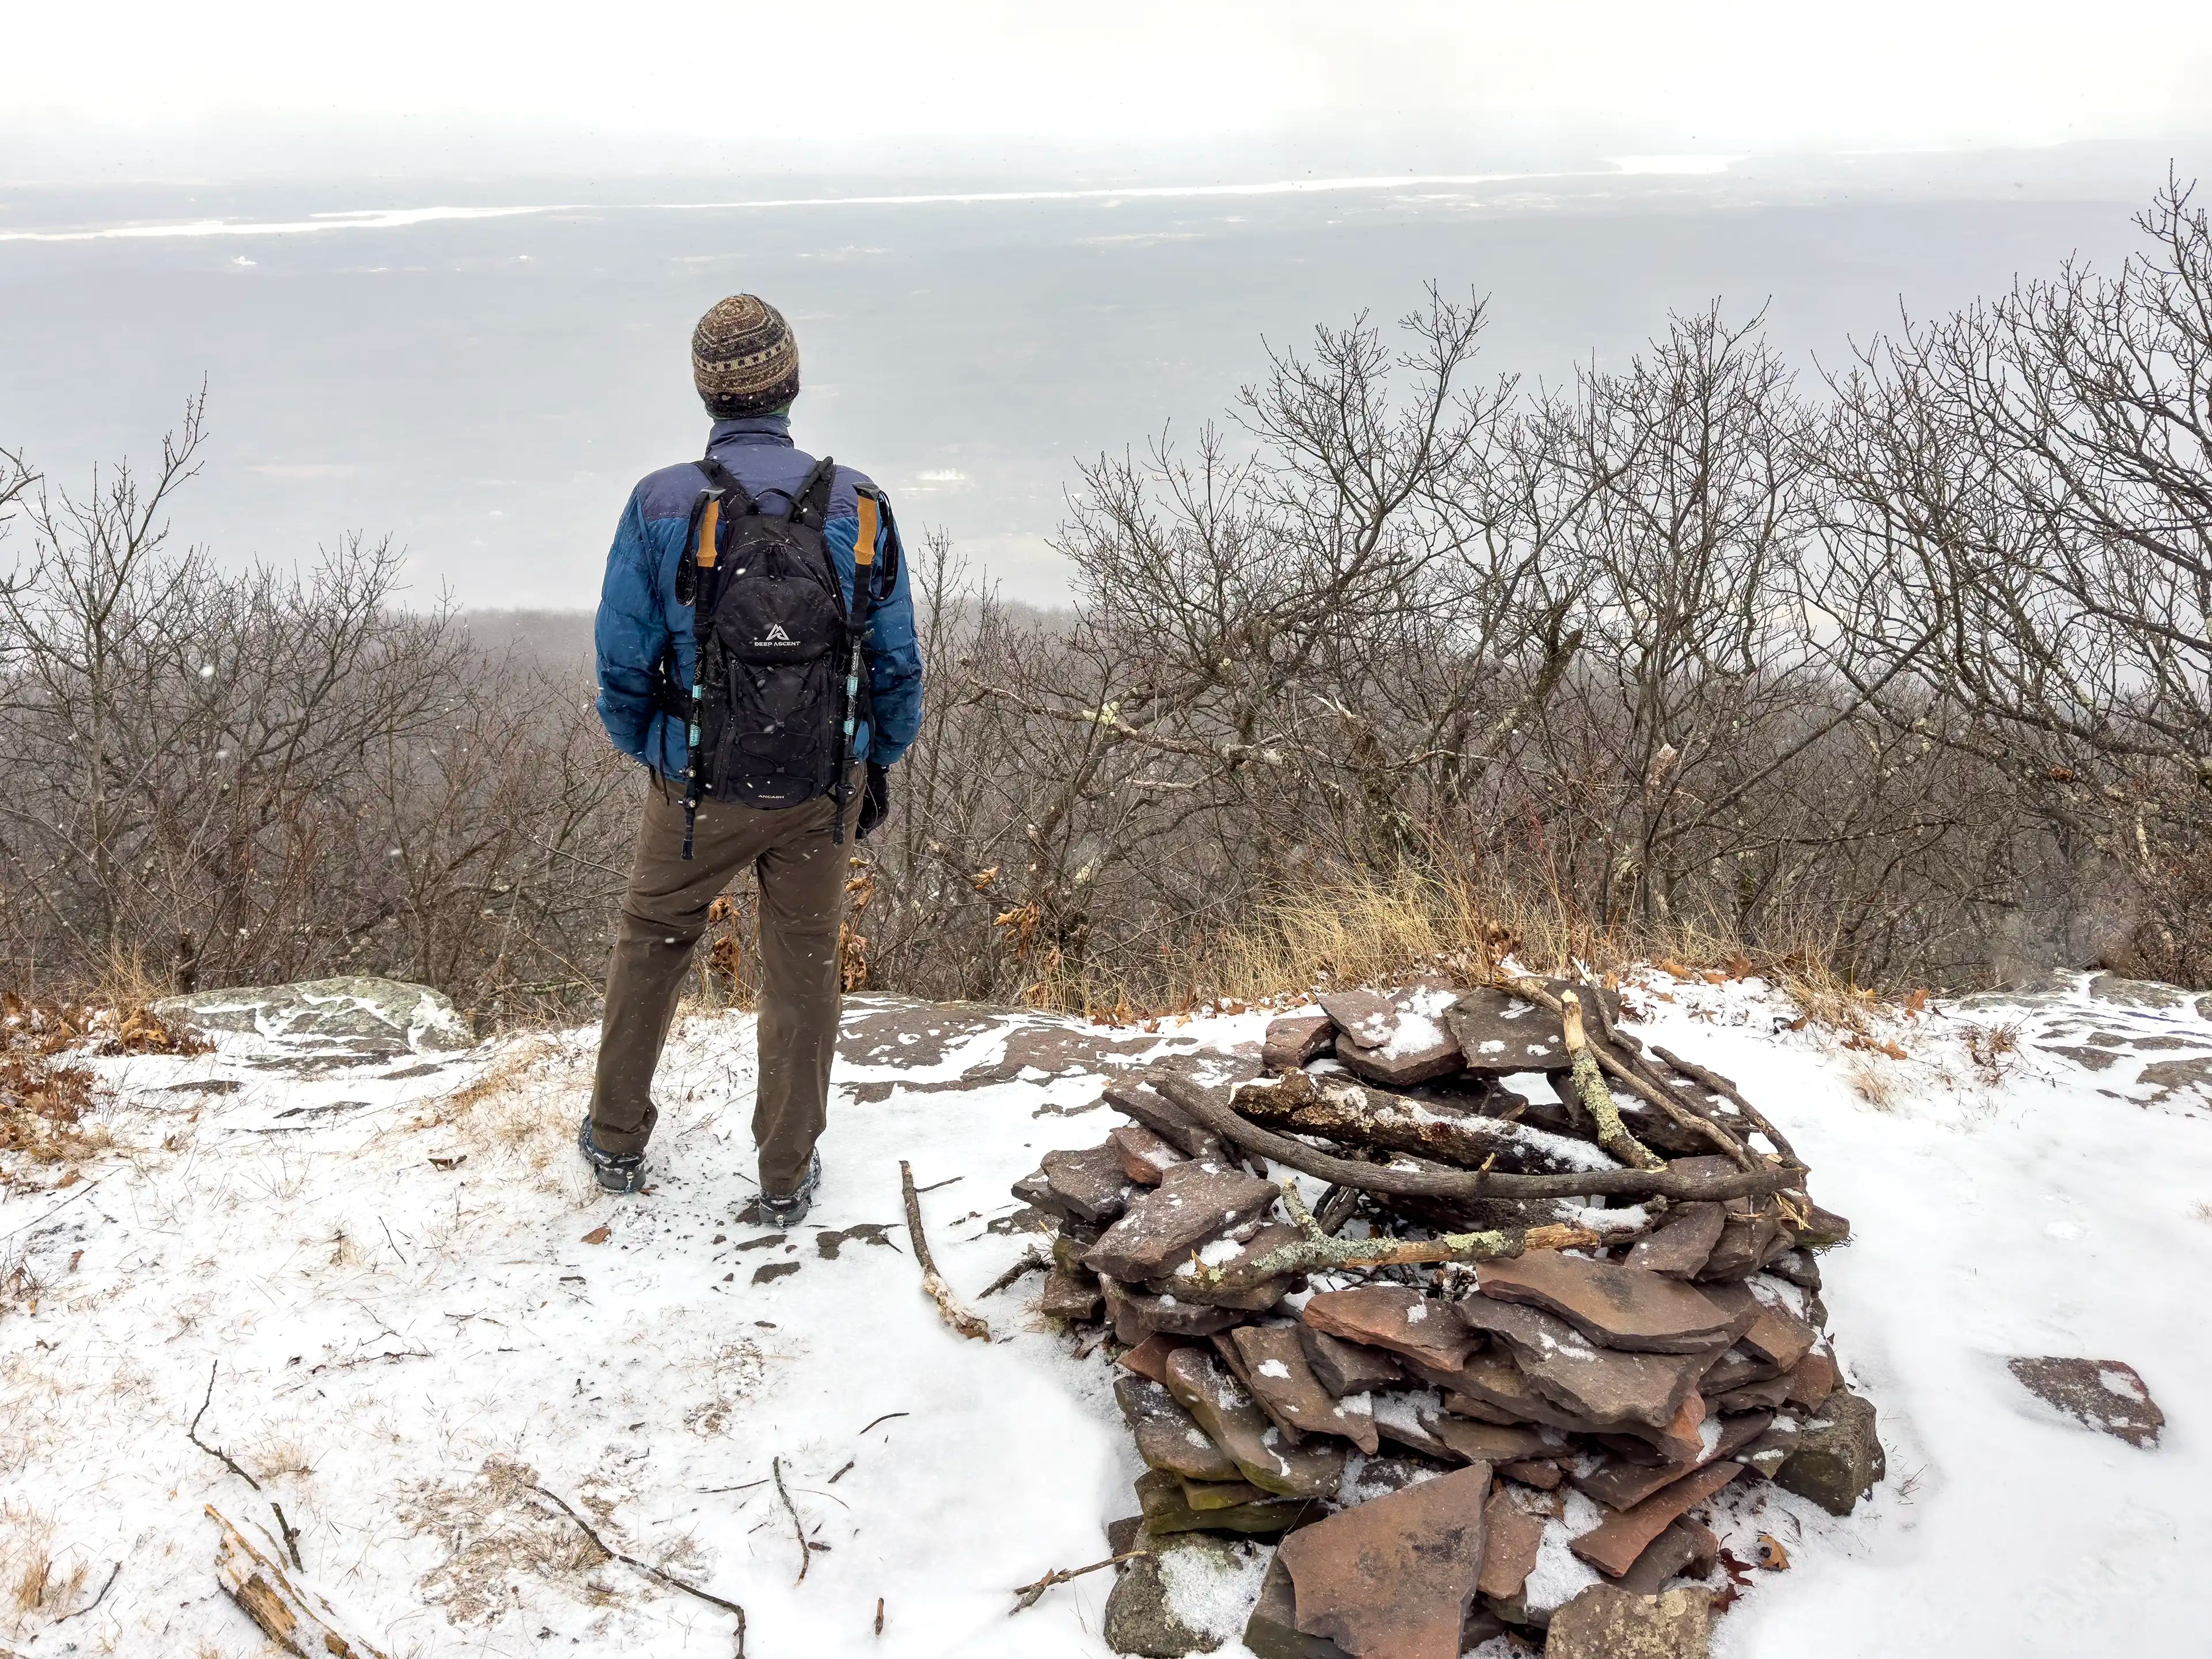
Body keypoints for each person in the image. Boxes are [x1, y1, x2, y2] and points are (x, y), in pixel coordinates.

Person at [582, 294, 922, 1224]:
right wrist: (866, 764)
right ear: (792, 382)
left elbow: (621, 659)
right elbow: (898, 665)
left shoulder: (662, 501)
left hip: (694, 786)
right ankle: (784, 1173)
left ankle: (615, 1142)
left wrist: (653, 748)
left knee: (652, 941)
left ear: (707, 393)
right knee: (803, 968)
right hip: (819, 784)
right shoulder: (857, 500)